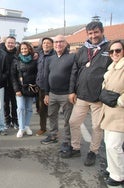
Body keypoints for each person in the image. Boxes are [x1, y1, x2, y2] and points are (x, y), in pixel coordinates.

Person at [61, 21, 112, 167]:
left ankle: (93, 152)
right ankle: (75, 147)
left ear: (102, 32)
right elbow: (74, 72)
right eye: (90, 33)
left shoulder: (110, 49)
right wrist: (71, 91)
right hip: (82, 95)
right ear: (87, 34)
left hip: (98, 98)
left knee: (96, 127)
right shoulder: (83, 50)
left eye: (96, 32)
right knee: (73, 122)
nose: (93, 36)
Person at [40, 35, 75, 155]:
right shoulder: (50, 59)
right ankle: (53, 135)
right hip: (52, 94)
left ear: (65, 44)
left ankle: (67, 141)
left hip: (66, 95)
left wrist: (72, 92)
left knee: (67, 119)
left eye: (61, 42)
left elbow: (73, 77)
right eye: (56, 42)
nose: (58, 44)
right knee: (52, 116)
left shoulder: (72, 57)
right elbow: (46, 77)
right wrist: (46, 94)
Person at [99, 40, 124, 186]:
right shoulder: (112, 67)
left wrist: (119, 102)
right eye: (111, 51)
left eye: (118, 50)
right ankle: (112, 168)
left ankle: (118, 175)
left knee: (114, 145)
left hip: (120, 113)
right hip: (109, 111)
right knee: (109, 142)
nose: (114, 53)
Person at [11, 42, 37, 138]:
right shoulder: (16, 60)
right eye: (22, 49)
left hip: (30, 88)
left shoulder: (34, 60)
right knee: (21, 108)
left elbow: (36, 73)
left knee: (29, 109)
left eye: (25, 48)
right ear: (19, 50)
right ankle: (21, 128)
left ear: (29, 49)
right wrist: (16, 89)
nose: (24, 50)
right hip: (20, 88)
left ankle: (26, 126)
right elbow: (13, 76)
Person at [35, 37, 55, 136]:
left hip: (52, 87)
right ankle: (43, 128)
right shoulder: (40, 55)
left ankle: (54, 130)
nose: (46, 45)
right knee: (42, 109)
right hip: (41, 87)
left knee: (52, 110)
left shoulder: (55, 55)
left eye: (48, 43)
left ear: (52, 45)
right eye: (44, 43)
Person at [0, 36, 19, 129]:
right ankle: (7, 121)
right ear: (5, 43)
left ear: (15, 44)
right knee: (5, 104)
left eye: (12, 43)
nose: (10, 44)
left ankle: (15, 120)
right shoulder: (1, 53)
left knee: (15, 103)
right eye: (9, 43)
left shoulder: (18, 53)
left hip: (16, 83)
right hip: (4, 83)